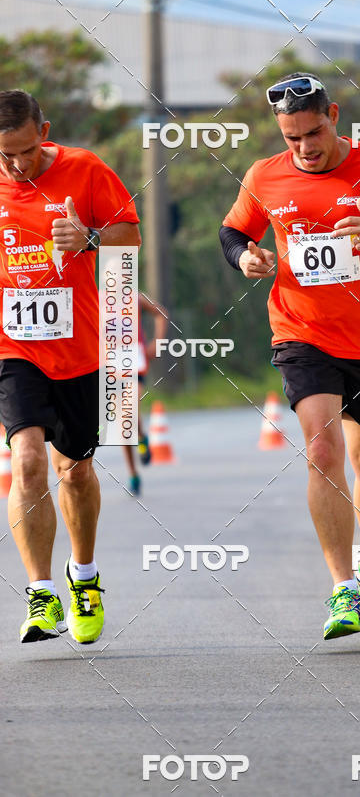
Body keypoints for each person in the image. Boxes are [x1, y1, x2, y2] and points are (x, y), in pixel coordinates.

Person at [220, 73, 360, 643]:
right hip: (300, 333)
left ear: (335, 115)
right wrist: (245, 259)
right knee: (322, 449)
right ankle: (343, 586)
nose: (305, 147)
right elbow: (231, 232)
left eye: (314, 132)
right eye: (292, 137)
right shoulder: (265, 176)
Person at [0, 90, 141, 644]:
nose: (16, 165)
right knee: (28, 460)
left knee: (75, 470)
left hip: (81, 349)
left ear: (45, 131)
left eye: (26, 152)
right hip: (14, 349)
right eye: (4, 155)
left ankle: (83, 576)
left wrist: (88, 239)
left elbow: (129, 235)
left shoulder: (84, 170)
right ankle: (40, 595)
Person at [123, 293, 168, 496]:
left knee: (129, 411)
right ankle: (133, 474)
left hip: (135, 367)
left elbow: (161, 314)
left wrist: (157, 342)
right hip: (110, 369)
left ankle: (140, 438)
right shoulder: (98, 298)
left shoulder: (136, 298)